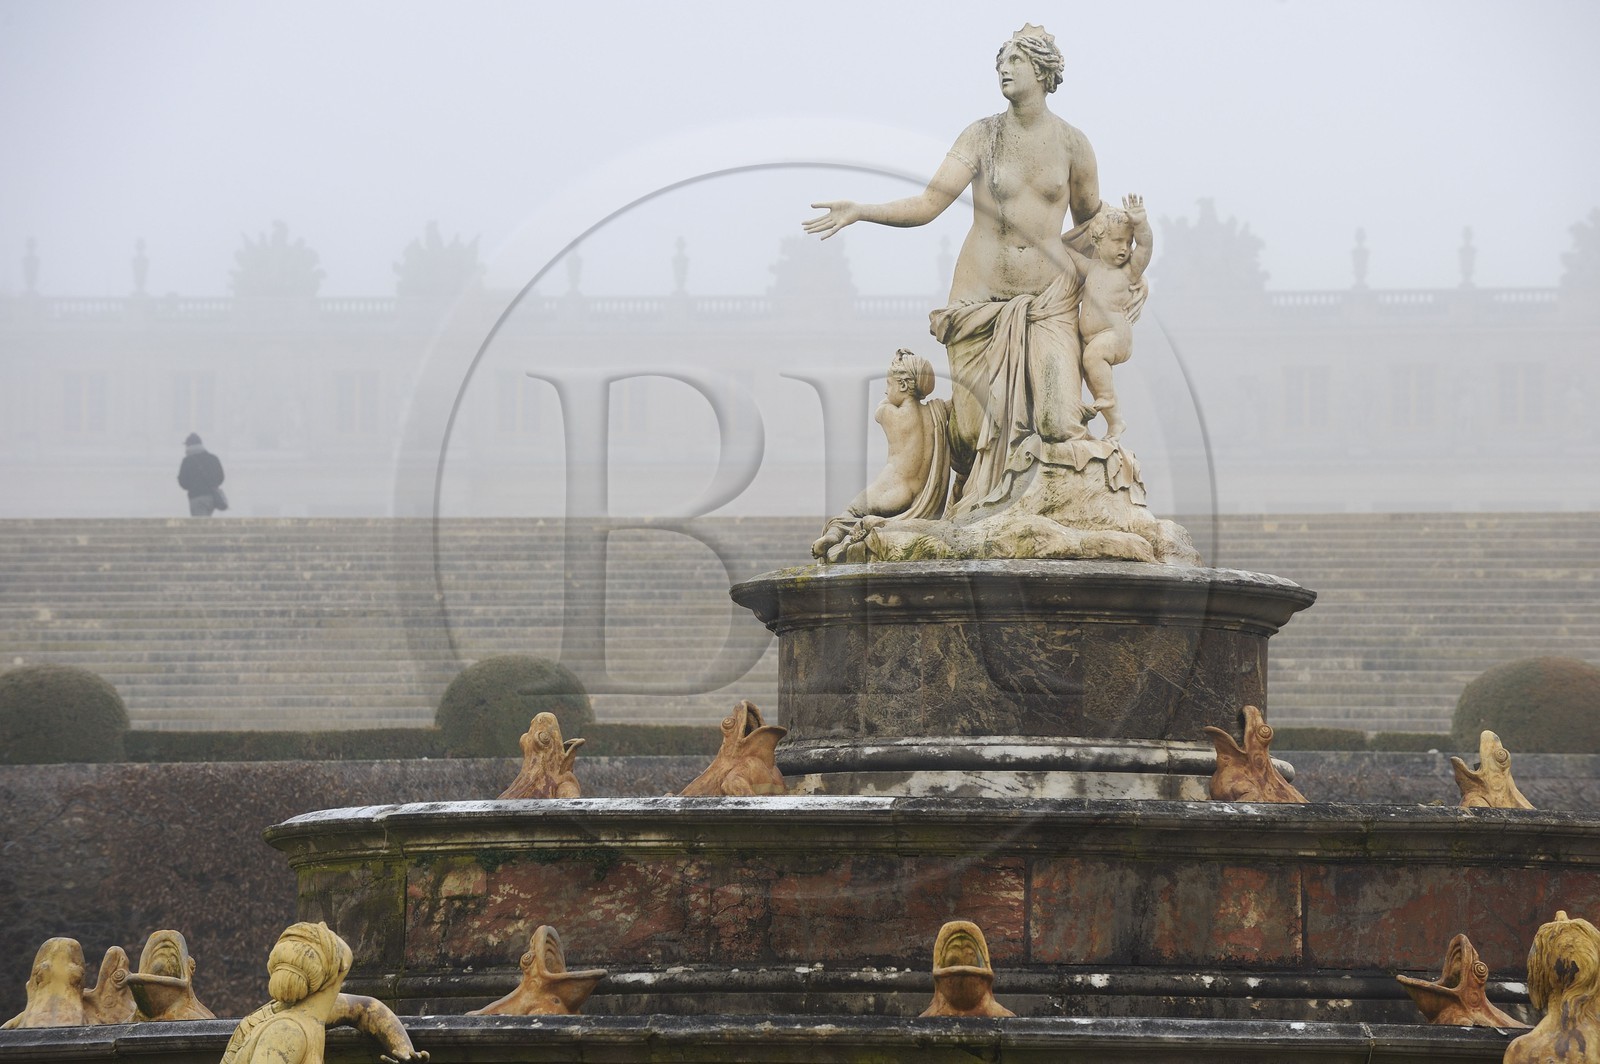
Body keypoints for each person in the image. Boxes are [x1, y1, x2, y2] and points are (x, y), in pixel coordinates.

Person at [805, 23, 1142, 513]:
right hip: (979, 300)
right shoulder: (983, 135)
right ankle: (945, 476)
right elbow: (929, 203)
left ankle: (1045, 513)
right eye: (1001, 61)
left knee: (1057, 420)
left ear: (1044, 72)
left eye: (1016, 61)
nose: (1004, 68)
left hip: (1048, 301)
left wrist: (1130, 267)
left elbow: (1094, 221)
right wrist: (862, 210)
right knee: (970, 431)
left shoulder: (1073, 145)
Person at [811, 349, 951, 560]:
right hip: (920, 494)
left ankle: (832, 536)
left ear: (903, 385)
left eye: (888, 384)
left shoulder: (888, 413)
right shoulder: (936, 412)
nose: (886, 391)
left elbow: (880, 409)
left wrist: (897, 365)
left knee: (851, 513)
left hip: (890, 488)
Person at [220, 922, 426, 1064]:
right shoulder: (288, 1031)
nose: (323, 925)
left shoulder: (311, 1015)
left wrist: (405, 1052)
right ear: (339, 967)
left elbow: (367, 1009)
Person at [1063, 194, 1153, 439]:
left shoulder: (1129, 272)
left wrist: (1141, 223)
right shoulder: (1093, 268)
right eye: (1117, 241)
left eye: (1128, 242)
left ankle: (1108, 396)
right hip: (1094, 338)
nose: (1125, 248)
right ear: (1097, 241)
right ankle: (1115, 422)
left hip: (1115, 336)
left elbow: (1145, 247)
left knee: (1093, 358)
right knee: (1091, 376)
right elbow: (1069, 255)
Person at [176, 433, 226, 516]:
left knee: (200, 524)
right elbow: (221, 477)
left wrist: (192, 486)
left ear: (188, 446)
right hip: (212, 497)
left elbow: (183, 482)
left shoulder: (187, 461)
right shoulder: (213, 458)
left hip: (196, 497)